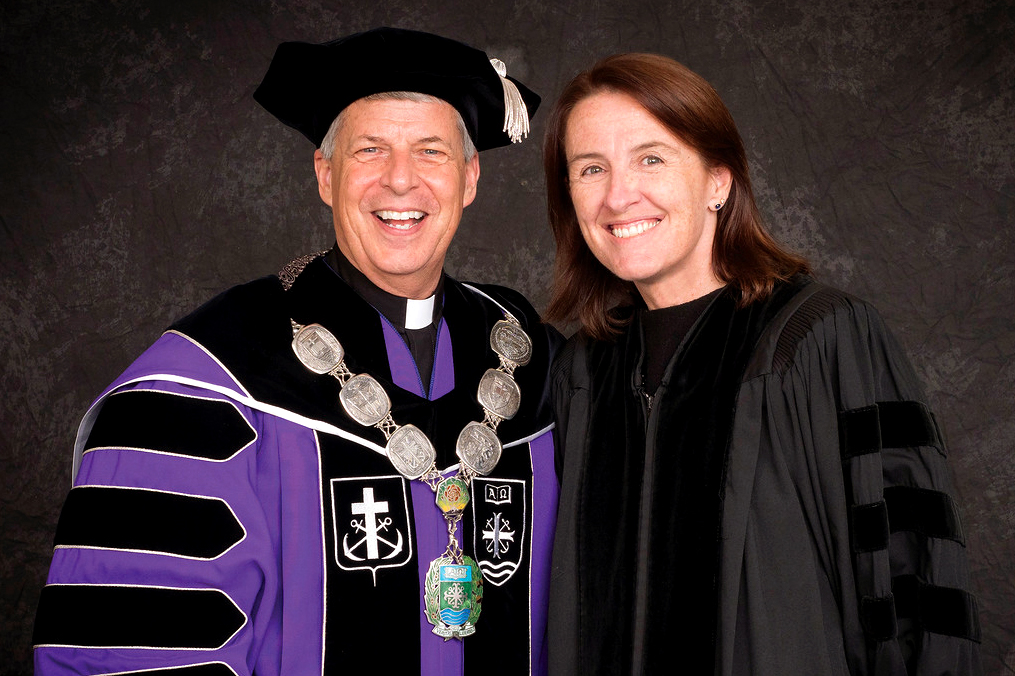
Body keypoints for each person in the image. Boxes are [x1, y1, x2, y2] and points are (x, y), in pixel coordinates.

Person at [33, 27, 560, 676]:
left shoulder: (535, 362)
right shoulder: (206, 383)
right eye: (370, 150)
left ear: (470, 177)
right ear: (325, 174)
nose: (402, 181)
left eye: (431, 152)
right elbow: (133, 650)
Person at [544, 53, 981, 675]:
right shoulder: (581, 374)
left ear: (718, 182)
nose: (619, 195)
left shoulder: (817, 340)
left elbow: (911, 578)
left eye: (651, 158)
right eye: (591, 168)